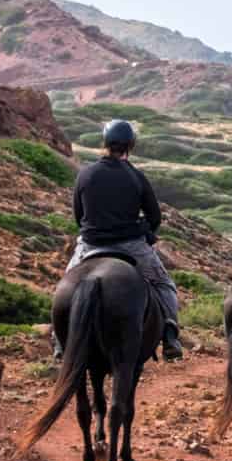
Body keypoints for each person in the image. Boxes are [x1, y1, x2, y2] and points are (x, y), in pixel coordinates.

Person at [54, 119, 183, 362]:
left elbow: (78, 215)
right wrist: (145, 230)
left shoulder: (85, 174)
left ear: (104, 143)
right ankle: (169, 336)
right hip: (130, 245)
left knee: (64, 286)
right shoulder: (136, 176)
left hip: (90, 245)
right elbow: (155, 216)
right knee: (164, 285)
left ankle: (60, 342)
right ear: (130, 146)